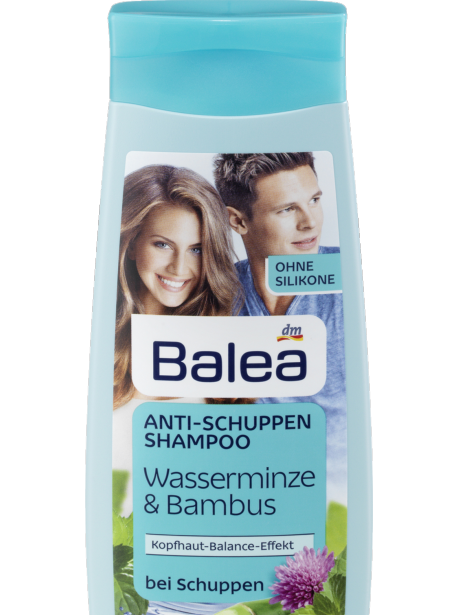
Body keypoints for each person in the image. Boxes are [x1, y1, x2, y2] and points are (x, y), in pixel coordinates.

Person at [113, 164, 246, 514]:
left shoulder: (228, 351)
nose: (178, 268)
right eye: (162, 244)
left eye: (196, 250)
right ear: (131, 244)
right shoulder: (99, 343)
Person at [214, 153, 346, 505]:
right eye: (288, 209)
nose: (310, 223)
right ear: (237, 221)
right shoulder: (219, 300)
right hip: (249, 500)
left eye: (314, 200)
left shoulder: (352, 283)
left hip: (342, 504)